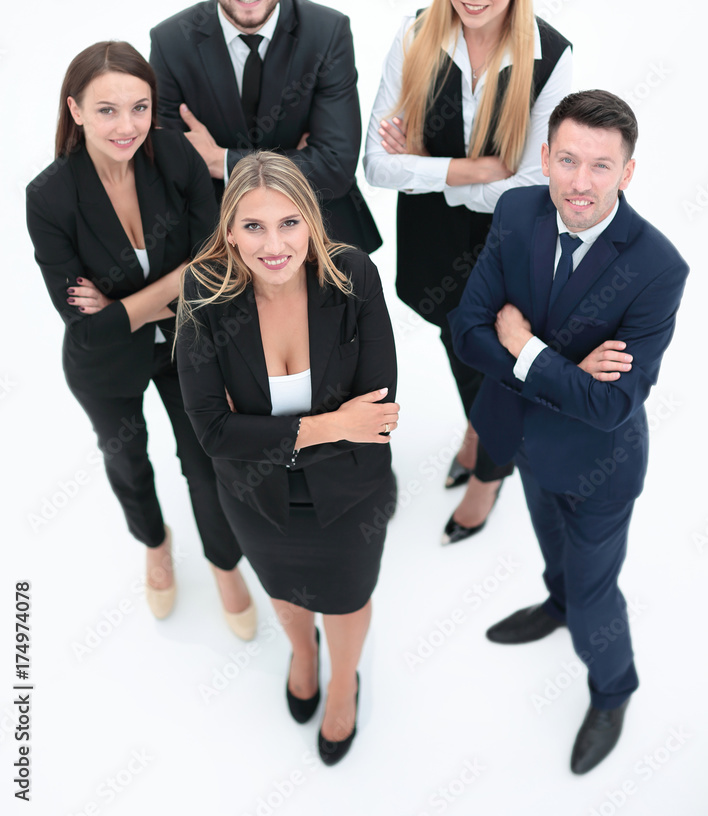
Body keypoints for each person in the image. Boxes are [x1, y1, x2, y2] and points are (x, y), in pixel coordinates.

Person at [448, 90, 689, 774]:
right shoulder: (517, 211)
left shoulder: (658, 269)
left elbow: (611, 407)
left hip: (598, 468)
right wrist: (564, 371)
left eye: (601, 166)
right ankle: (556, 603)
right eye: (568, 160)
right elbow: (466, 331)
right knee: (554, 556)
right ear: (547, 156)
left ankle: (613, 689)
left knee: (595, 596)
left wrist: (525, 348)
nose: (580, 182)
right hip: (525, 443)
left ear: (627, 173)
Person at [175, 150, 398, 765]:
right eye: (254, 226)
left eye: (289, 223)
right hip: (257, 498)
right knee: (286, 594)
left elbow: (377, 416)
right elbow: (212, 432)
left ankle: (344, 681)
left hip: (350, 493)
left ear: (312, 221)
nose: (274, 245)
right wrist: (334, 423)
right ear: (229, 232)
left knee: (347, 598)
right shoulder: (204, 291)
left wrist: (262, 430)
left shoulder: (353, 275)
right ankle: (303, 653)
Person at [26, 41, 256, 635]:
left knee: (206, 461)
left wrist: (124, 306)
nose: (126, 126)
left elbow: (217, 266)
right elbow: (90, 328)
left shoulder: (174, 155)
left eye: (139, 107)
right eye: (107, 110)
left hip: (187, 346)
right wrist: (177, 281)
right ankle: (155, 544)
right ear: (75, 110)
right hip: (105, 368)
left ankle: (224, 562)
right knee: (127, 462)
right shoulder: (49, 197)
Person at [364, 0, 572, 543]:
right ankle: (480, 431)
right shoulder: (416, 36)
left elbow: (531, 187)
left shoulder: (550, 55)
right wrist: (470, 169)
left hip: (509, 247)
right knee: (457, 343)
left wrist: (428, 168)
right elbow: (377, 165)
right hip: (432, 244)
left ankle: (489, 472)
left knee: (497, 359)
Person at [150, 0, 381, 253]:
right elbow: (170, 172)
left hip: (319, 236)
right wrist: (295, 159)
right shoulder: (171, 42)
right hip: (215, 238)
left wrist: (222, 161)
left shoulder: (327, 32)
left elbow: (335, 167)